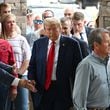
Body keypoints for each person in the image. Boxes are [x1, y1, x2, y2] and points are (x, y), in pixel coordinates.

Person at [28, 17, 82, 110]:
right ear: (44, 30)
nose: (51, 32)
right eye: (48, 29)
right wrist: (31, 78)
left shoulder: (72, 44)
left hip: (62, 90)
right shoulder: (38, 44)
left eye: (54, 29)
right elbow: (32, 65)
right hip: (42, 89)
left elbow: (79, 69)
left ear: (60, 28)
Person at [73, 28, 110, 110]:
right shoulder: (86, 65)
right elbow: (79, 100)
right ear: (96, 45)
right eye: (107, 42)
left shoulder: (108, 62)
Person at [0, 13, 31, 110]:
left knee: (22, 106)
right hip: (3, 76)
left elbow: (27, 59)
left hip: (21, 75)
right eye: (9, 22)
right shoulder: (1, 40)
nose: (12, 24)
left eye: (13, 22)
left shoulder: (21, 39)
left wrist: (19, 74)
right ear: (3, 24)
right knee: (6, 105)